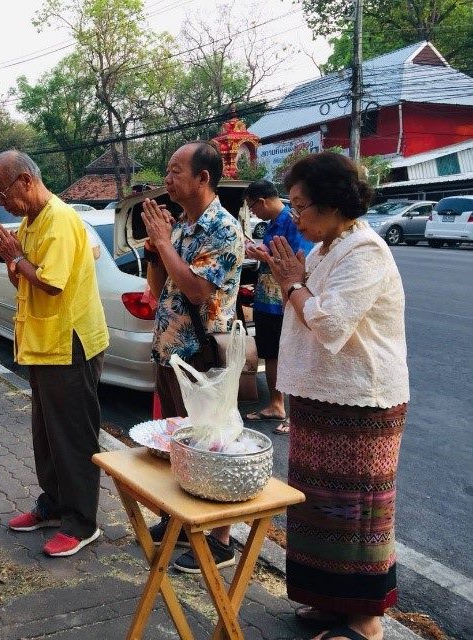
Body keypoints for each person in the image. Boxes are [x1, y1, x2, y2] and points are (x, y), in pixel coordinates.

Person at [260, 152, 408, 640]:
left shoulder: (364, 251)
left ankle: (366, 620)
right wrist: (294, 280)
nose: (295, 216)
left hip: (361, 400)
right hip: (320, 396)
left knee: (357, 513)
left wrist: (292, 283)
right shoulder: (324, 250)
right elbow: (306, 307)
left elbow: (328, 320)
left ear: (332, 204)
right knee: (317, 508)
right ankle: (329, 601)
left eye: (301, 206)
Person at [0, 150, 109, 558]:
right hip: (43, 343)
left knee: (73, 435)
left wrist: (16, 257)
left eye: (2, 192)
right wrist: (15, 258)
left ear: (25, 180)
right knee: (47, 433)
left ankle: (81, 522)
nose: (0, 202)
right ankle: (53, 505)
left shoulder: (58, 220)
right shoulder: (31, 220)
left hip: (69, 343)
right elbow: (25, 272)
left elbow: (51, 282)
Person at [142, 141, 243, 574]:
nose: (168, 178)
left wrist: (164, 242)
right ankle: (179, 519)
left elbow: (199, 290)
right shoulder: (182, 225)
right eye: (167, 169)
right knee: (179, 441)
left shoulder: (222, 228)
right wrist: (155, 246)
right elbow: (158, 284)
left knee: (211, 443)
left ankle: (220, 539)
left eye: (176, 170)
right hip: (171, 352)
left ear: (203, 178)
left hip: (202, 356)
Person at [243, 180, 312, 434]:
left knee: (293, 356)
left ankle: (298, 415)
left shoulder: (292, 223)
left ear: (261, 201)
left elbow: (298, 264)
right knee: (270, 352)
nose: (253, 213)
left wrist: (266, 257)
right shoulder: (272, 224)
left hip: (286, 302)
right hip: (266, 300)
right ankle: (276, 404)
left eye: (252, 207)